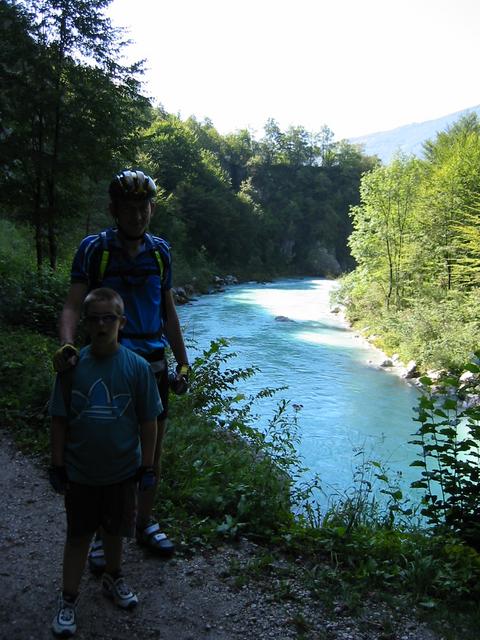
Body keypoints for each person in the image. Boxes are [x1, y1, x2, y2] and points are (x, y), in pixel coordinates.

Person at [53, 169, 189, 570]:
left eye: (143, 207)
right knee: (106, 448)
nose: (137, 215)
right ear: (114, 210)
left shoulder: (160, 253)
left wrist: (183, 362)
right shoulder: (95, 250)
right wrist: (67, 345)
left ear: (152, 209)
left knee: (152, 449)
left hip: (152, 364)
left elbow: (168, 313)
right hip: (107, 363)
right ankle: (102, 531)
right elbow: (72, 306)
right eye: (128, 208)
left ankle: (143, 521)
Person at [49, 287, 162, 637]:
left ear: (121, 323)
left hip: (122, 471)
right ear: (85, 323)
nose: (101, 325)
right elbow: (59, 419)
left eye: (108, 318)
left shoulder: (137, 368)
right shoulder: (71, 369)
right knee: (78, 536)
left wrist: (147, 466)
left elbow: (148, 421)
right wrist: (57, 464)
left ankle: (114, 578)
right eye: (94, 319)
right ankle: (68, 599)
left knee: (115, 532)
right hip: (81, 472)